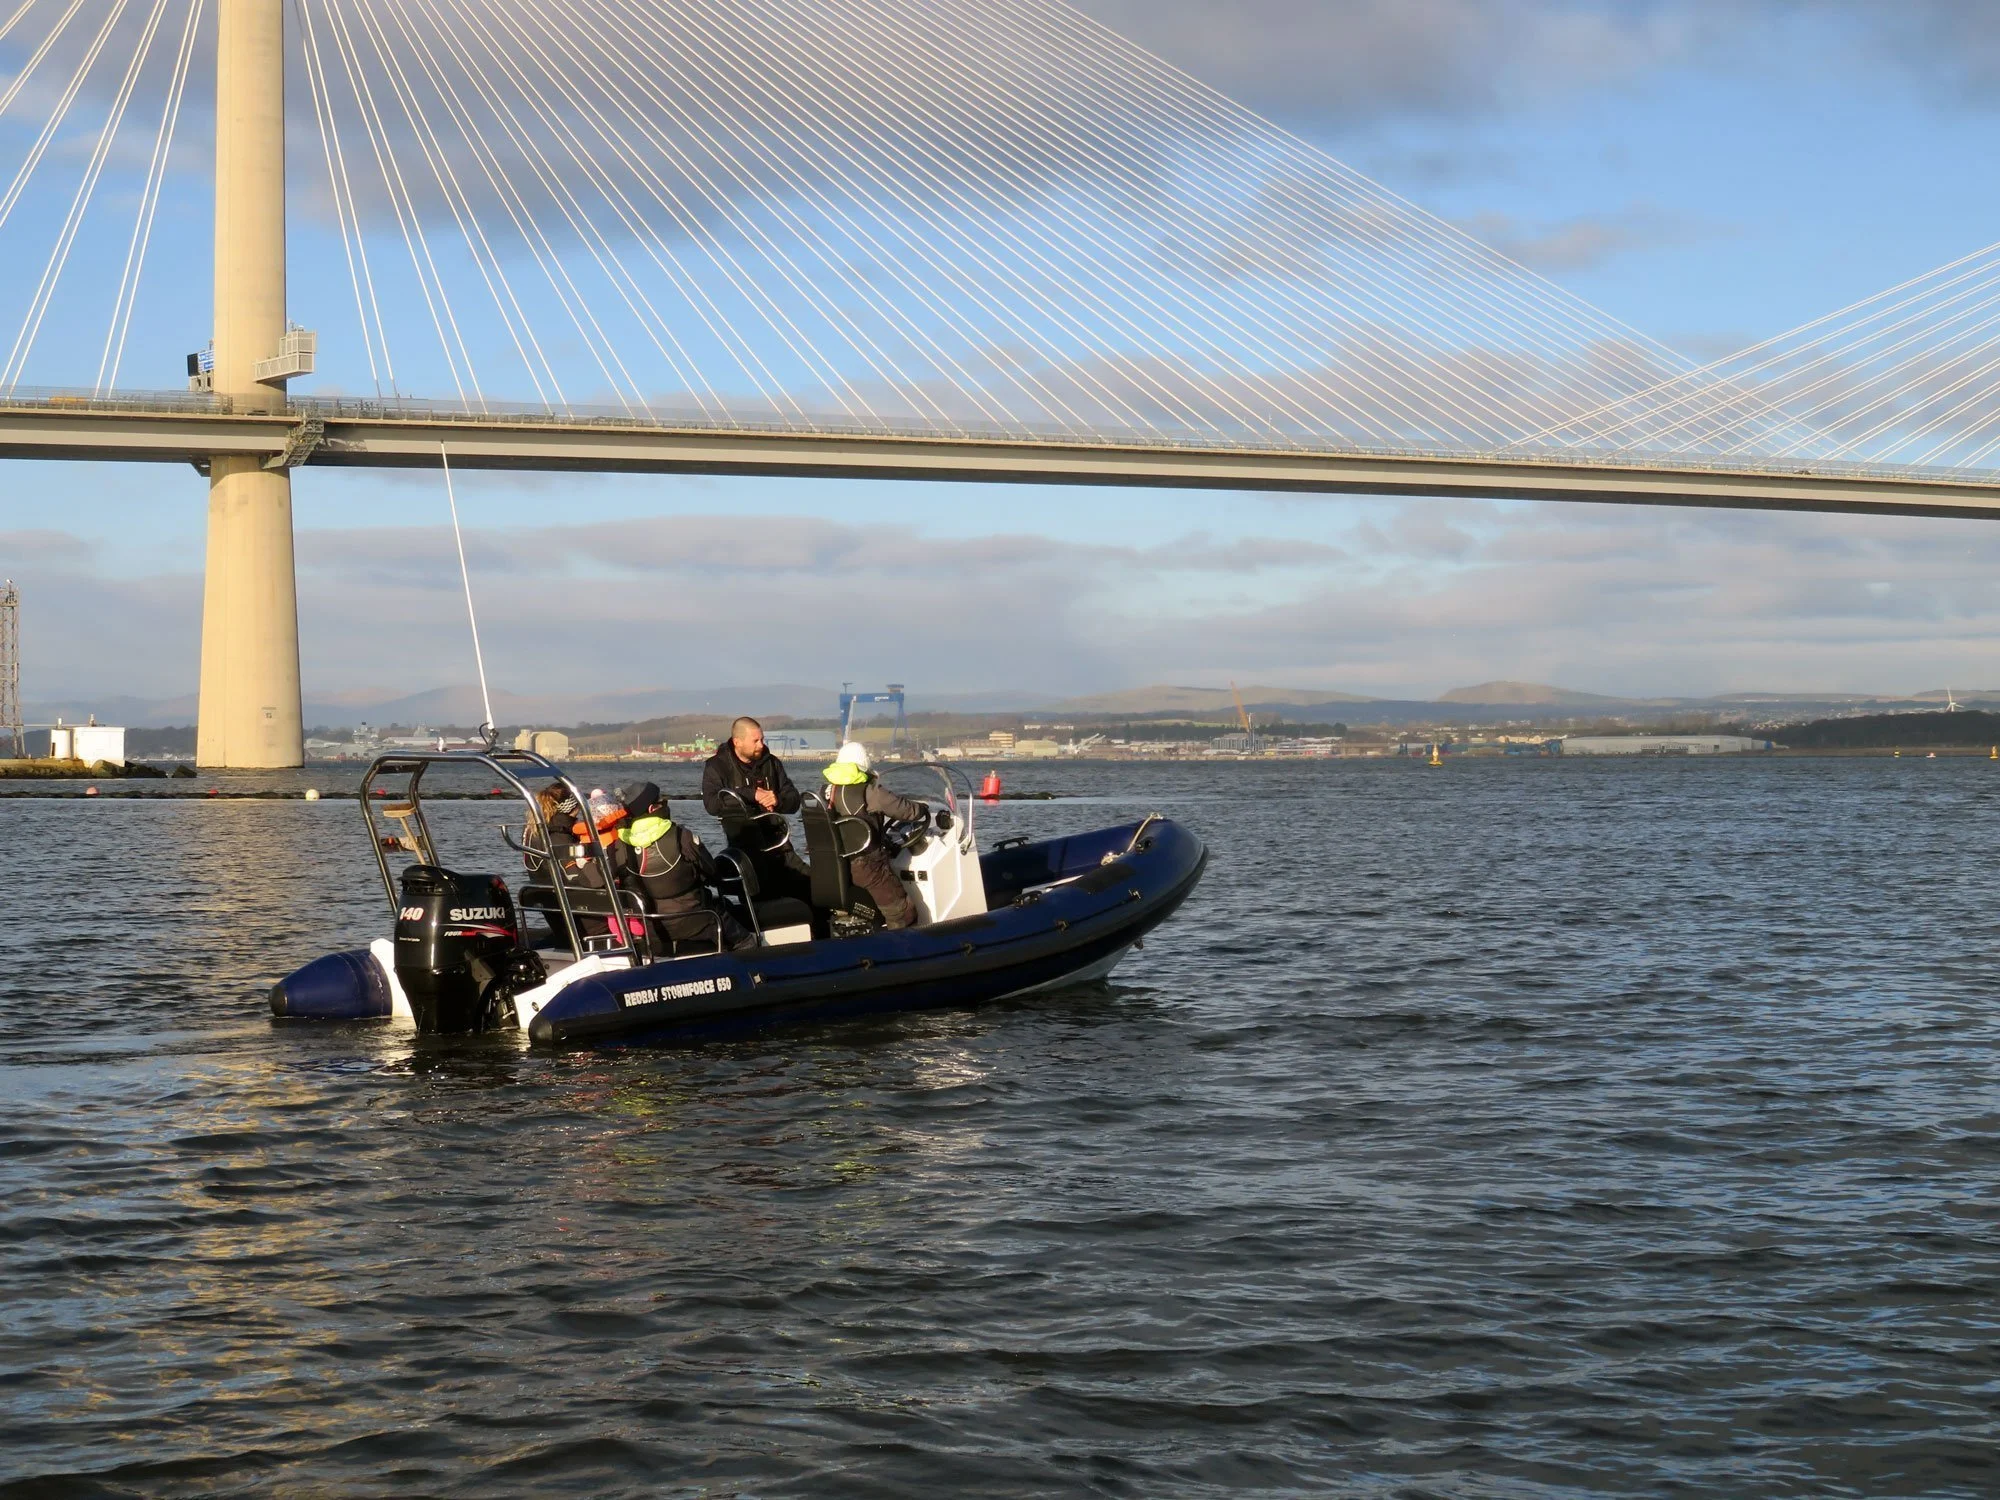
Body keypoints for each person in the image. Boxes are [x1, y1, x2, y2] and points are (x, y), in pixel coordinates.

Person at [612, 781, 754, 953]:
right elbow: (711, 871)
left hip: (651, 928)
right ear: (652, 809)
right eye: (661, 801)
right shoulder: (681, 836)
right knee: (745, 940)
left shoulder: (619, 846)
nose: (665, 804)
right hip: (696, 919)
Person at [701, 716, 811, 903]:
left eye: (762, 739)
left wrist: (777, 800)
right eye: (755, 741)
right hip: (746, 850)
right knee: (764, 894)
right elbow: (712, 804)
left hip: (780, 846)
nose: (761, 745)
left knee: (812, 887)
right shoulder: (717, 766)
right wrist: (752, 794)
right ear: (737, 742)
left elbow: (793, 801)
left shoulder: (772, 763)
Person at [820, 742, 930, 930]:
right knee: (904, 913)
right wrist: (922, 808)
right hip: (869, 868)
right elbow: (905, 810)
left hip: (836, 868)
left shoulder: (826, 791)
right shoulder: (870, 792)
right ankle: (902, 946)